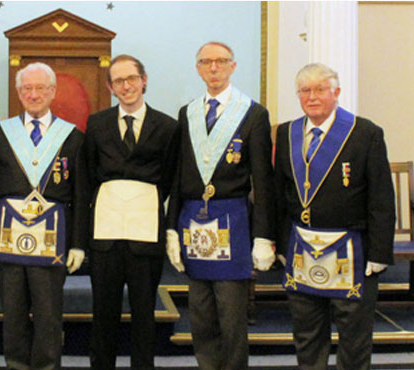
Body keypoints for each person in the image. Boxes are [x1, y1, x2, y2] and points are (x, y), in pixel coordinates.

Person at [165, 41, 277, 370]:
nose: (213, 68)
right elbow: (178, 176)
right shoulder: (188, 113)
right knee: (200, 312)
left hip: (233, 219)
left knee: (230, 314)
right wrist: (171, 227)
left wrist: (263, 235)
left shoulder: (253, 113)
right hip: (193, 221)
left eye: (220, 61)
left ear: (233, 66)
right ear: (198, 68)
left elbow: (263, 180)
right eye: (206, 62)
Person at [274, 63, 393, 370]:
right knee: (307, 336)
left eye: (320, 90)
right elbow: (279, 195)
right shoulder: (287, 132)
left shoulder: (365, 133)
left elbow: (381, 198)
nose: (312, 97)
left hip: (351, 252)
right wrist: (278, 243)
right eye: (305, 90)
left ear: (336, 93)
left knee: (353, 340)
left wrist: (379, 252)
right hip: (302, 250)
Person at [0, 61, 88, 370]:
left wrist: (78, 244)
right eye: (27, 88)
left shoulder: (72, 137)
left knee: (49, 314)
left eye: (40, 88)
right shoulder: (0, 133)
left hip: (53, 239)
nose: (33, 94)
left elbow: (80, 194)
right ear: (18, 92)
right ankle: (16, 365)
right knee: (12, 314)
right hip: (8, 236)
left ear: (52, 92)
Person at [83, 55, 180, 370]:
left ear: (144, 80)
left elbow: (169, 178)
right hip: (106, 236)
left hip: (145, 232)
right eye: (119, 81)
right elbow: (89, 175)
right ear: (111, 87)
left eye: (131, 79)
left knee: (144, 313)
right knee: (103, 312)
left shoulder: (167, 126)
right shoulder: (96, 123)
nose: (126, 86)